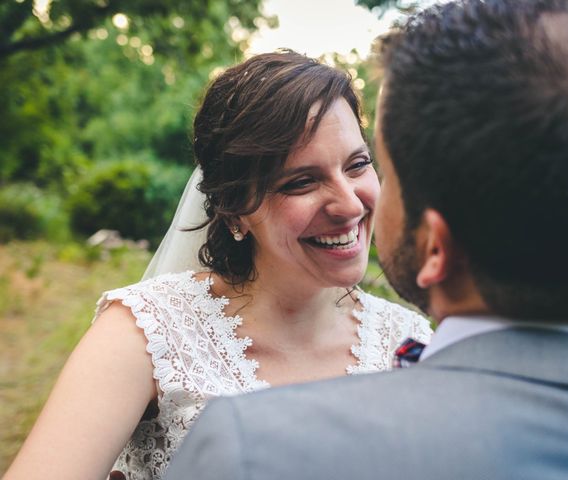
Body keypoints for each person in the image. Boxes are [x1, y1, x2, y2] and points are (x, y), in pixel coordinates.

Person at [165, 0, 568, 478]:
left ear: (436, 247)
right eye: (302, 180)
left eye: (376, 169)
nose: (355, 204)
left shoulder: (254, 448)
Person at [4, 51, 430, 480]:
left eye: (357, 165)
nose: (350, 203)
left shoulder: (412, 343)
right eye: (301, 181)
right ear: (233, 210)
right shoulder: (146, 335)